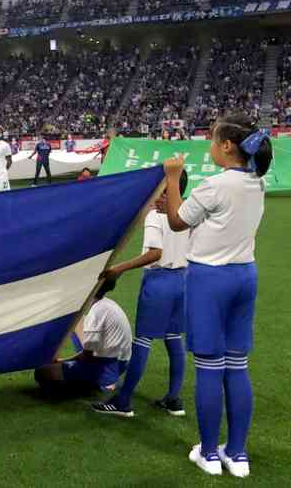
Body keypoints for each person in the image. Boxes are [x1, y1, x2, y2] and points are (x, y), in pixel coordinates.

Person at [161, 113, 271, 478]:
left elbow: (177, 222)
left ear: (226, 146)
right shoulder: (257, 181)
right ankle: (237, 454)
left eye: (212, 140)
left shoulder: (214, 185)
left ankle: (208, 453)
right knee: (237, 365)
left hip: (210, 279)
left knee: (209, 366)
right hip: (245, 275)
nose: (209, 147)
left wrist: (172, 178)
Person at [93, 171, 191, 418]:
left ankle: (123, 401)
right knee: (173, 337)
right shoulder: (188, 211)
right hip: (183, 280)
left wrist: (119, 268)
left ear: (166, 191)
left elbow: (155, 253)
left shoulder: (156, 215)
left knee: (143, 341)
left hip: (159, 282)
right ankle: (174, 399)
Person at [34, 278, 132, 397]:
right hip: (119, 362)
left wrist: (61, 361)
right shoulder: (107, 304)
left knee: (42, 372)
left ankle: (94, 384)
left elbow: (87, 356)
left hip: (105, 368)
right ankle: (95, 380)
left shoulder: (96, 312)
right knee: (77, 319)